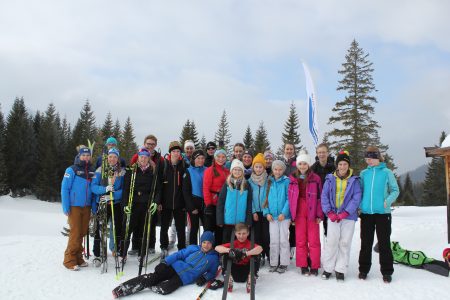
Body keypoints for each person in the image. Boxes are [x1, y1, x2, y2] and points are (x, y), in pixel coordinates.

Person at [112, 231, 219, 298]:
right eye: (204, 242)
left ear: (212, 244)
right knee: (153, 277)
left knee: (166, 288)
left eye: (209, 243)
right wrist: (165, 262)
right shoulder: (193, 248)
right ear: (201, 242)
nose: (206, 245)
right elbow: (179, 255)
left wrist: (205, 278)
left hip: (185, 278)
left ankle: (151, 284)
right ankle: (123, 289)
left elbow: (212, 272)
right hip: (175, 267)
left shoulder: (213, 258)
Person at [358, 146, 399, 283]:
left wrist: (387, 202)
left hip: (383, 214)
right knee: (366, 243)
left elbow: (395, 190)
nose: (368, 161)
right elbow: (360, 191)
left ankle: (387, 272)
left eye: (370, 159)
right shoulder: (364, 173)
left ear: (377, 158)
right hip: (366, 214)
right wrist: (360, 206)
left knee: (384, 243)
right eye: (366, 159)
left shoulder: (387, 172)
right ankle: (363, 270)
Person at [321, 151, 361, 281]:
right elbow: (324, 196)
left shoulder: (354, 180)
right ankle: (328, 268)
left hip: (348, 217)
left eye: (345, 164)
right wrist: (329, 213)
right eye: (340, 164)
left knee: (344, 242)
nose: (342, 167)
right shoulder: (330, 178)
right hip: (333, 215)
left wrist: (346, 213)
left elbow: (356, 198)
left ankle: (340, 269)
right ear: (337, 165)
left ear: (348, 165)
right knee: (332, 242)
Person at [288, 150, 323, 276]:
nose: (302, 166)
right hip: (299, 211)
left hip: (312, 210)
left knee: (313, 240)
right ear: (297, 165)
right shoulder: (292, 178)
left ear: (309, 165)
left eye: (305, 164)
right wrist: (291, 215)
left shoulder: (315, 178)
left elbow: (320, 197)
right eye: (300, 164)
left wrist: (319, 214)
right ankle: (303, 264)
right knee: (301, 240)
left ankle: (314, 265)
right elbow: (290, 198)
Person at [61, 146, 96, 271]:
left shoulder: (92, 171)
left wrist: (93, 206)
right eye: (83, 155)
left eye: (88, 155)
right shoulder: (71, 170)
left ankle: (78, 257)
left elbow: (93, 190)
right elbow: (65, 188)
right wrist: (66, 206)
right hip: (74, 205)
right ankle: (69, 260)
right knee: (75, 233)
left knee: (82, 232)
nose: (86, 157)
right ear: (79, 156)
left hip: (86, 206)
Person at [121, 148, 160, 260]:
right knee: (127, 229)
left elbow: (158, 190)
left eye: (145, 157)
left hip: (146, 205)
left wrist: (155, 202)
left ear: (148, 158)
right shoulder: (131, 170)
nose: (143, 159)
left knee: (144, 230)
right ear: (138, 157)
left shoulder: (153, 171)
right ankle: (122, 253)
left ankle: (141, 253)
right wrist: (125, 204)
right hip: (132, 204)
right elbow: (126, 189)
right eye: (141, 157)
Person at [128, 134, 164, 256]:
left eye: (152, 144)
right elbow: (132, 171)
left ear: (155, 145)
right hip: (137, 197)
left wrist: (158, 201)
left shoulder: (160, 158)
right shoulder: (136, 156)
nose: (150, 146)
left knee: (150, 222)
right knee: (136, 222)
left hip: (151, 194)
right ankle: (135, 245)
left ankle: (150, 245)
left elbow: (162, 179)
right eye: (148, 144)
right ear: (144, 144)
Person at [91, 148, 126, 266]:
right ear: (107, 157)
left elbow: (124, 189)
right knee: (100, 229)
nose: (112, 159)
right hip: (102, 203)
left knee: (118, 228)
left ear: (118, 159)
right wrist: (104, 190)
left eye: (115, 157)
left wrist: (114, 196)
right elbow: (93, 187)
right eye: (110, 156)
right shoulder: (100, 170)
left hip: (116, 204)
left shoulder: (121, 171)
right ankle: (98, 254)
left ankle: (118, 251)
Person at [157, 141, 187, 259]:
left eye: (178, 151)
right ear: (170, 152)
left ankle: (182, 249)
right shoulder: (164, 165)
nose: (176, 153)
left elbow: (186, 187)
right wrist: (158, 202)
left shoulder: (184, 165)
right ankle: (164, 247)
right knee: (164, 227)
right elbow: (159, 185)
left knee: (180, 228)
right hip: (165, 203)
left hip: (180, 203)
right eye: (174, 151)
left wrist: (186, 203)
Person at [215, 223, 262, 292]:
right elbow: (217, 248)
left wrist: (246, 253)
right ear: (235, 233)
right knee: (225, 254)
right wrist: (229, 250)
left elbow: (260, 248)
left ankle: (251, 278)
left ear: (248, 233)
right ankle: (228, 278)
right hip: (234, 271)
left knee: (256, 255)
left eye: (244, 233)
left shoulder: (250, 243)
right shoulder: (233, 243)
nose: (241, 236)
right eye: (239, 233)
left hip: (247, 271)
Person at [263, 160, 291, 273]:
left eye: (280, 169)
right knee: (274, 240)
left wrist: (284, 213)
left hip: (284, 217)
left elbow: (289, 199)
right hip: (272, 217)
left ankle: (284, 262)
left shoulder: (286, 182)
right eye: (275, 169)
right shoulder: (269, 181)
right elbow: (264, 199)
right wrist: (267, 213)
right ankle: (274, 262)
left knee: (283, 239)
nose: (277, 171)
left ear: (283, 170)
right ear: (273, 170)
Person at [217, 159, 253, 243]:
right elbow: (221, 202)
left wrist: (248, 220)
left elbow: (249, 203)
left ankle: (240, 256)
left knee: (239, 242)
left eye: (239, 170)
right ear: (231, 171)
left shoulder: (246, 184)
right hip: (228, 219)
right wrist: (220, 219)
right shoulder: (227, 184)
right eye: (235, 169)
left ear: (242, 172)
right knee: (227, 241)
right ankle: (225, 256)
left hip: (241, 221)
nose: (237, 172)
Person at [203, 148, 229, 245]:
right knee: (209, 229)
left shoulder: (227, 171)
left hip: (222, 205)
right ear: (215, 157)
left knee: (220, 229)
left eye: (223, 157)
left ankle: (218, 251)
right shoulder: (210, 170)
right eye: (218, 156)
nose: (221, 159)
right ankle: (206, 249)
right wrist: (208, 204)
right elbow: (206, 188)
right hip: (212, 204)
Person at [248, 153, 270, 266]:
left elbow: (270, 196)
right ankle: (258, 255)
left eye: (260, 166)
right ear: (253, 167)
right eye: (256, 166)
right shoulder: (250, 181)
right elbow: (249, 198)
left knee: (266, 235)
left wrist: (267, 210)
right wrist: (253, 211)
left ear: (264, 167)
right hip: (256, 212)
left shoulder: (269, 180)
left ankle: (268, 254)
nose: (258, 169)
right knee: (257, 236)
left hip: (266, 212)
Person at [183, 149, 207, 245]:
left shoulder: (207, 170)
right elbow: (185, 191)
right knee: (194, 228)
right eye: (198, 158)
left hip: (205, 203)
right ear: (194, 159)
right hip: (193, 203)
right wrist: (191, 207)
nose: (200, 160)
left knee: (207, 227)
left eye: (202, 158)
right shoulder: (188, 171)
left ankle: (206, 247)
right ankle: (193, 248)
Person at [311, 143, 335, 237]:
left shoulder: (333, 168)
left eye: (323, 152)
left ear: (327, 153)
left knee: (328, 225)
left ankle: (328, 239)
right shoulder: (313, 168)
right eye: (319, 152)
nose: (321, 154)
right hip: (316, 200)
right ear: (317, 154)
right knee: (315, 224)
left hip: (329, 200)